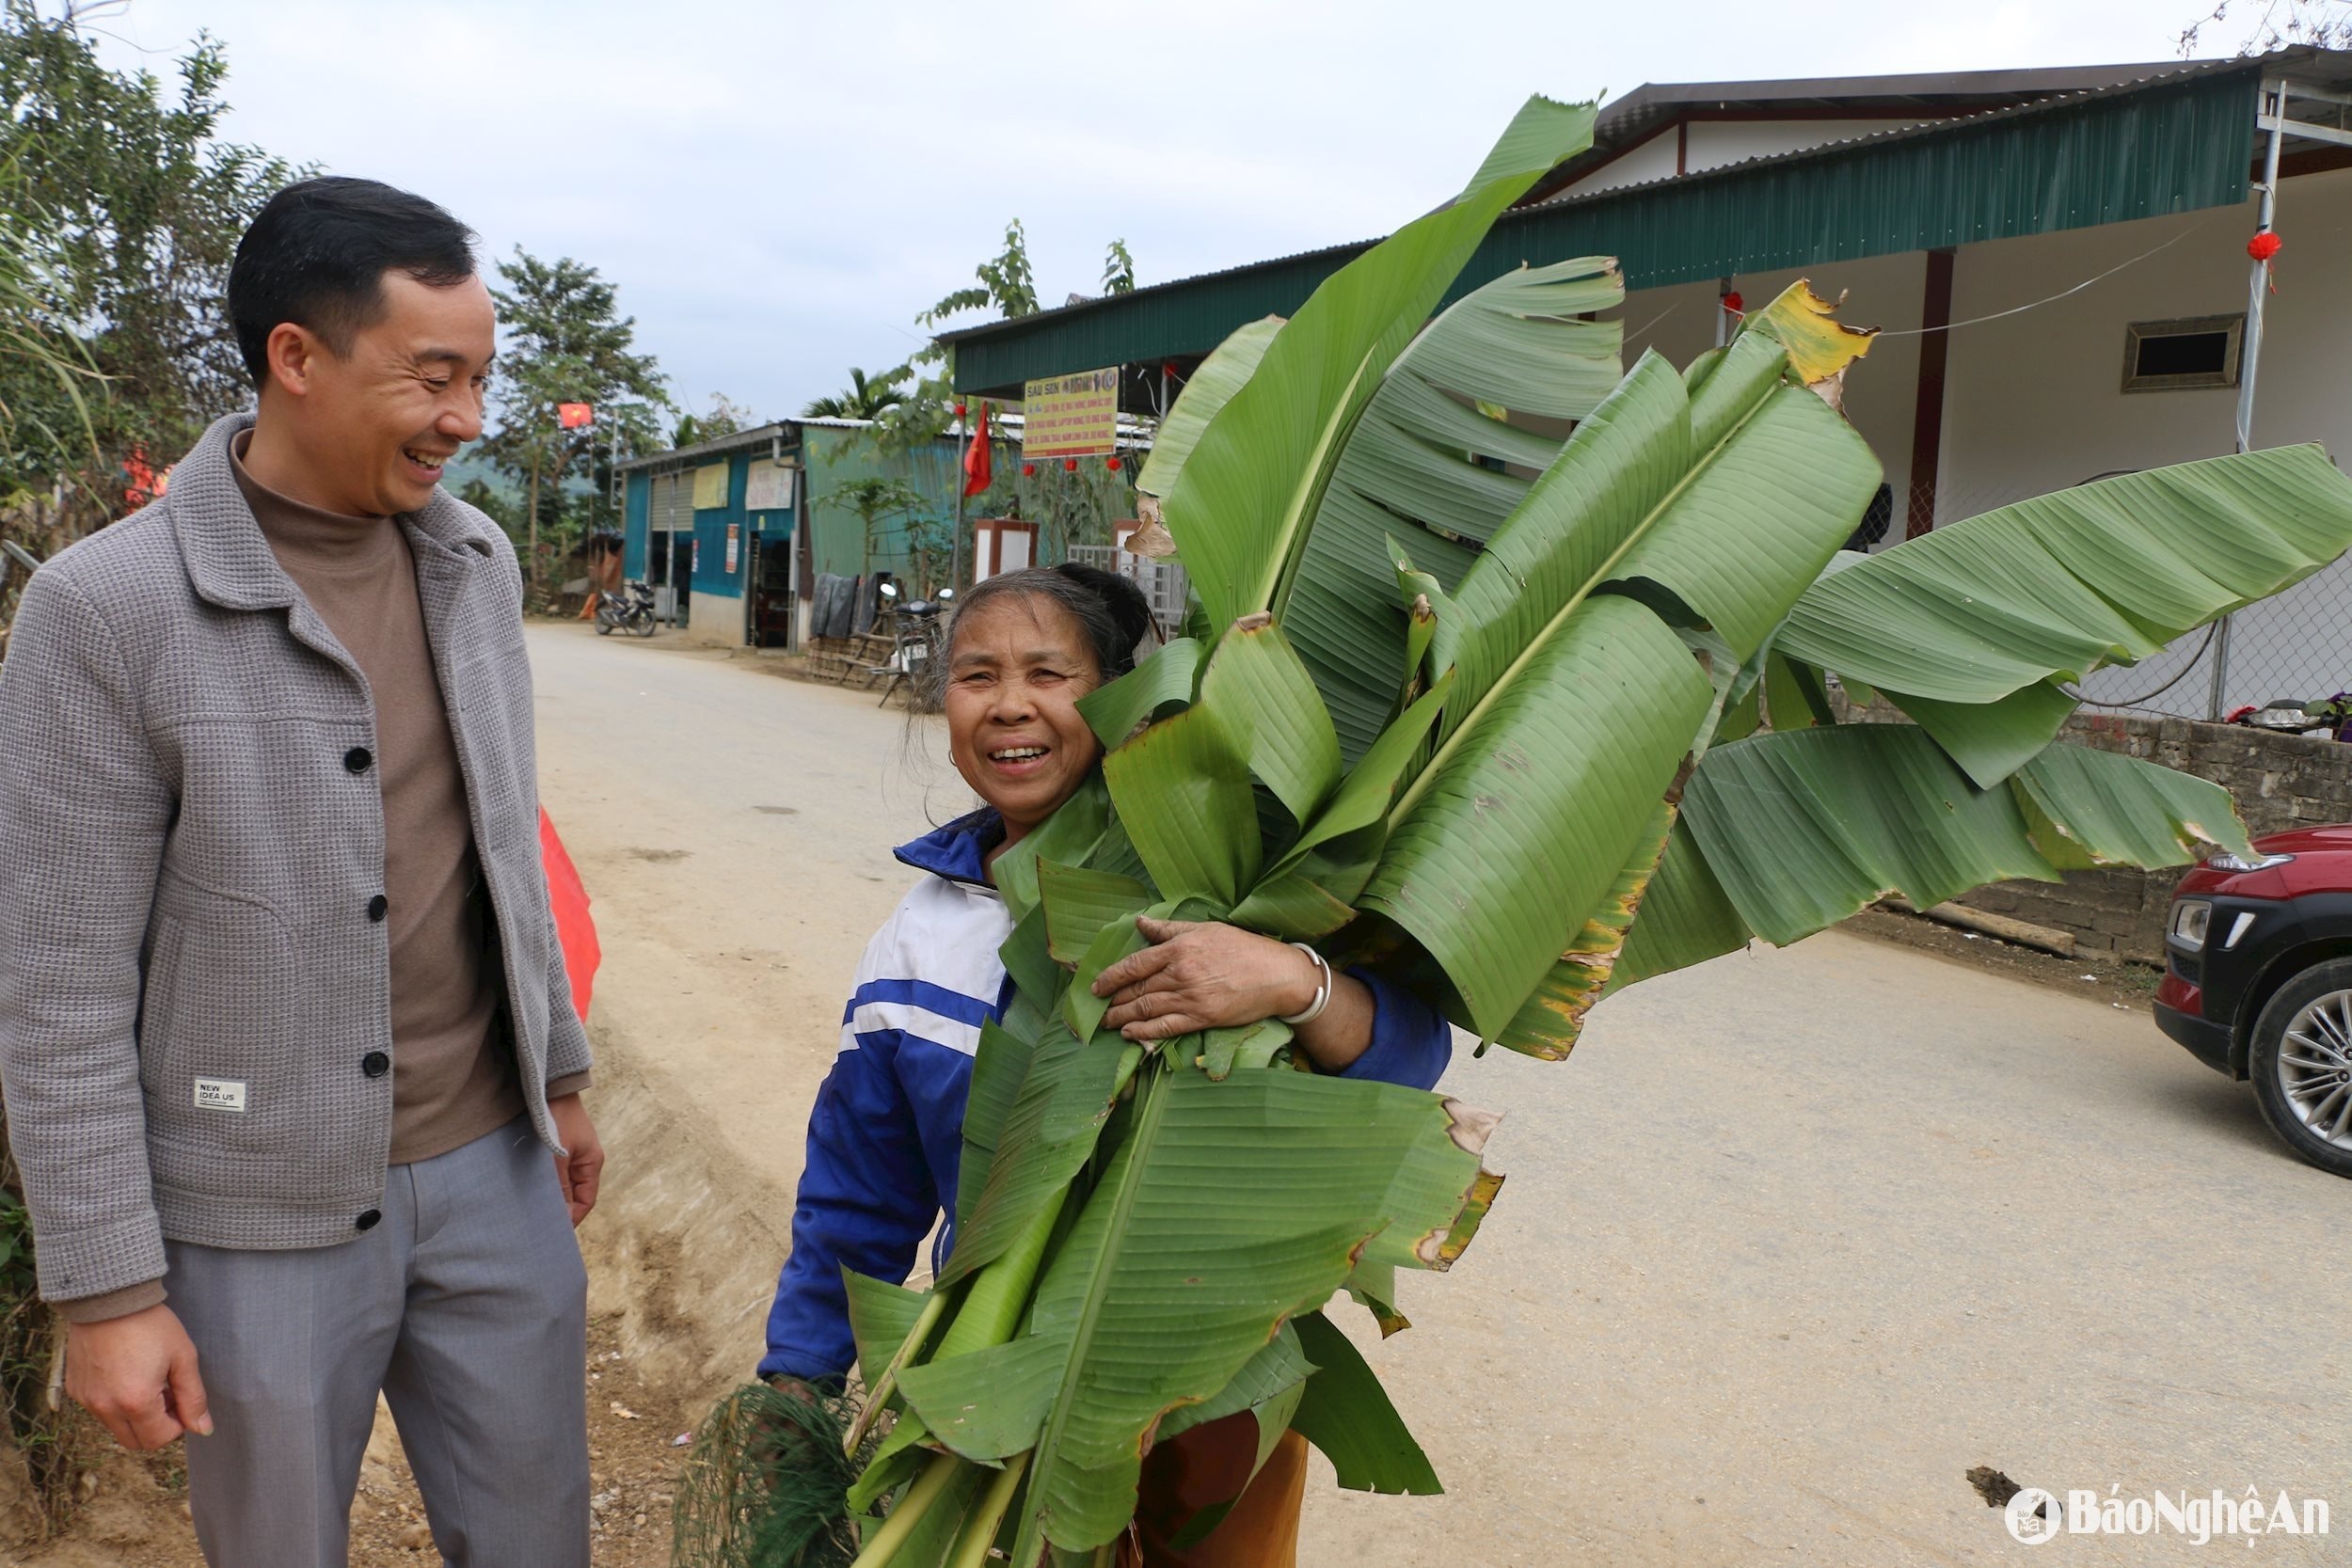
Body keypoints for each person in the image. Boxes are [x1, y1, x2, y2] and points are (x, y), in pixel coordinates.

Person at [0, 177, 602, 1567]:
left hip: (491, 1163)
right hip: (249, 1208)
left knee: (537, 1541)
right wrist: (105, 1286)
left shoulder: (473, 561)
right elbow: (59, 974)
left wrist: (557, 1072)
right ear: (297, 358)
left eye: (481, 378)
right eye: (433, 377)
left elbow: (501, 844)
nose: (467, 416)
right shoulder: (109, 609)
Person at [758, 563, 1454, 1565]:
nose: (1008, 705)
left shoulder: (1215, 883)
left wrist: (1284, 979)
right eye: (974, 674)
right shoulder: (917, 939)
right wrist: (798, 1378)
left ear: (1120, 697)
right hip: (992, 1395)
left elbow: (1406, 1055)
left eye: (1049, 672)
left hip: (1214, 1391)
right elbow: (858, 1192)